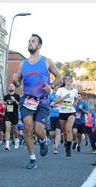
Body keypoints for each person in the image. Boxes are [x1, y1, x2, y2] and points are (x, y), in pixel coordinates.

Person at [12, 34, 62, 169]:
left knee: (39, 130)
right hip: (27, 100)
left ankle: (43, 139)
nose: (30, 43)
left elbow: (59, 77)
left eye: (33, 41)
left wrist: (51, 86)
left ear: (39, 45)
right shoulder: (23, 63)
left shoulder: (47, 61)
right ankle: (32, 159)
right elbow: (18, 80)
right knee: (28, 129)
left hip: (43, 101)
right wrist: (16, 81)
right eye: (29, 41)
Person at [55, 75, 78, 157]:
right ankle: (66, 143)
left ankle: (68, 149)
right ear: (64, 81)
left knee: (68, 129)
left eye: (69, 79)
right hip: (62, 112)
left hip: (71, 112)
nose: (68, 80)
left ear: (72, 81)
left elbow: (75, 99)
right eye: (66, 79)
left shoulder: (75, 90)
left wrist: (75, 103)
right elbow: (56, 101)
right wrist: (64, 97)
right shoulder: (60, 90)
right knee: (64, 131)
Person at [4, 83, 20, 150]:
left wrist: (14, 100)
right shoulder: (6, 96)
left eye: (12, 86)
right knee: (7, 129)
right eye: (9, 86)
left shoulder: (17, 95)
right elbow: (4, 104)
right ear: (8, 88)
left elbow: (19, 104)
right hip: (8, 114)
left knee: (15, 130)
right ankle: (7, 145)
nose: (11, 87)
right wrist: (4, 105)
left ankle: (16, 140)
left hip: (15, 114)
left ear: (14, 88)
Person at [49, 88, 62, 154]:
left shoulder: (62, 95)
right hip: (52, 116)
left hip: (60, 116)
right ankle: (54, 140)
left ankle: (55, 148)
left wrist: (60, 105)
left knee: (58, 132)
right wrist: (51, 104)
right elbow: (47, 104)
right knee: (52, 134)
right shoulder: (51, 95)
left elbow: (67, 104)